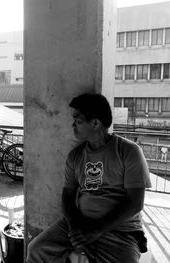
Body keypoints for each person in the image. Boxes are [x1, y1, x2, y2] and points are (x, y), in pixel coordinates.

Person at [26, 93, 151, 263]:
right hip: (82, 224)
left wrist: (96, 231)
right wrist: (75, 230)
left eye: (78, 120)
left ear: (95, 123)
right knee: (36, 249)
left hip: (120, 229)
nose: (73, 125)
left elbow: (135, 203)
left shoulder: (128, 151)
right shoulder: (75, 156)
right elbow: (68, 197)